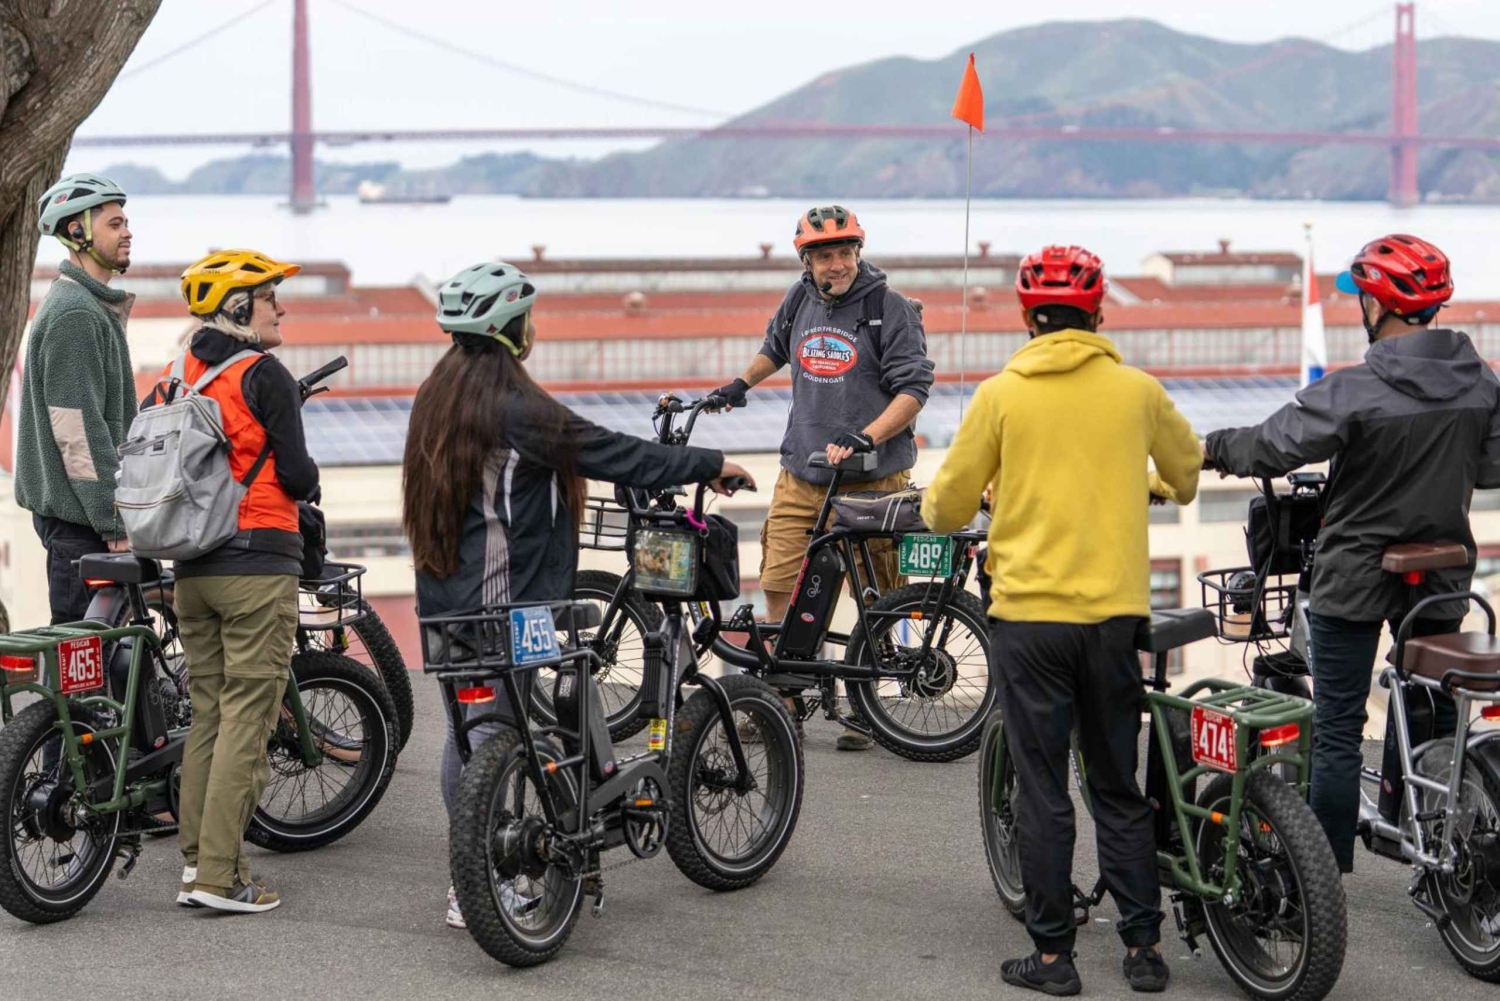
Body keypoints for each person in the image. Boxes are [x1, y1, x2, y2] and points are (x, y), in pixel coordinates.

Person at [401, 261, 752, 930]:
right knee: (508, 735)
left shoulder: (438, 395)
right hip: (510, 607)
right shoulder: (515, 408)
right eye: (527, 317)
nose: (533, 327)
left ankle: (475, 874)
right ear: (509, 328)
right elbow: (613, 451)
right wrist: (712, 462)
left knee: (473, 737)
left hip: (447, 603)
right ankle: (491, 879)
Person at [922, 245, 1201, 996]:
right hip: (1112, 621)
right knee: (1116, 781)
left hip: (1028, 622)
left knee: (1041, 785)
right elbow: (1185, 474)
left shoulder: (1000, 395)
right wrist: (1133, 479)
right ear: (1100, 313)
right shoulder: (1137, 390)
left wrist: (988, 495)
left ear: (1027, 318)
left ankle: (1052, 958)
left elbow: (945, 506)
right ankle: (1144, 947)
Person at [1203, 233, 1500, 875]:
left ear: (1378, 305)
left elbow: (1269, 447)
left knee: (1336, 727)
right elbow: (1492, 466)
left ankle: (1321, 880)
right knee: (1426, 699)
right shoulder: (1482, 383)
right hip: (1444, 572)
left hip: (1355, 571)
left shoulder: (1358, 388)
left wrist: (1210, 447)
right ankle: (1420, 834)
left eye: (1363, 297)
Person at [712, 205, 934, 750]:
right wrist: (739, 384)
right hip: (803, 471)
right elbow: (775, 349)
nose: (836, 265)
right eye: (824, 256)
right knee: (779, 581)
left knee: (879, 595)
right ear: (806, 260)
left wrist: (868, 435)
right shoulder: (799, 298)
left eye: (844, 253)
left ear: (858, 252)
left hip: (873, 478)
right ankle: (785, 698)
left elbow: (913, 391)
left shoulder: (890, 308)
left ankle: (866, 705)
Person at [156, 250, 321, 914]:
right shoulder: (265, 374)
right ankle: (222, 878)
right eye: (268, 296)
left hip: (192, 569)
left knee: (209, 717)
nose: (279, 307)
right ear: (236, 308)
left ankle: (196, 862)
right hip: (256, 565)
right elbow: (298, 475)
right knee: (247, 721)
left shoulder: (179, 372)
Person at [15, 173, 136, 624]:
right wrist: (114, 521)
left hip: (85, 520)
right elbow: (77, 434)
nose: (127, 232)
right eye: (115, 224)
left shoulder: (88, 306)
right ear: (77, 232)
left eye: (126, 223)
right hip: (82, 526)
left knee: (106, 671)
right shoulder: (75, 315)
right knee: (82, 679)